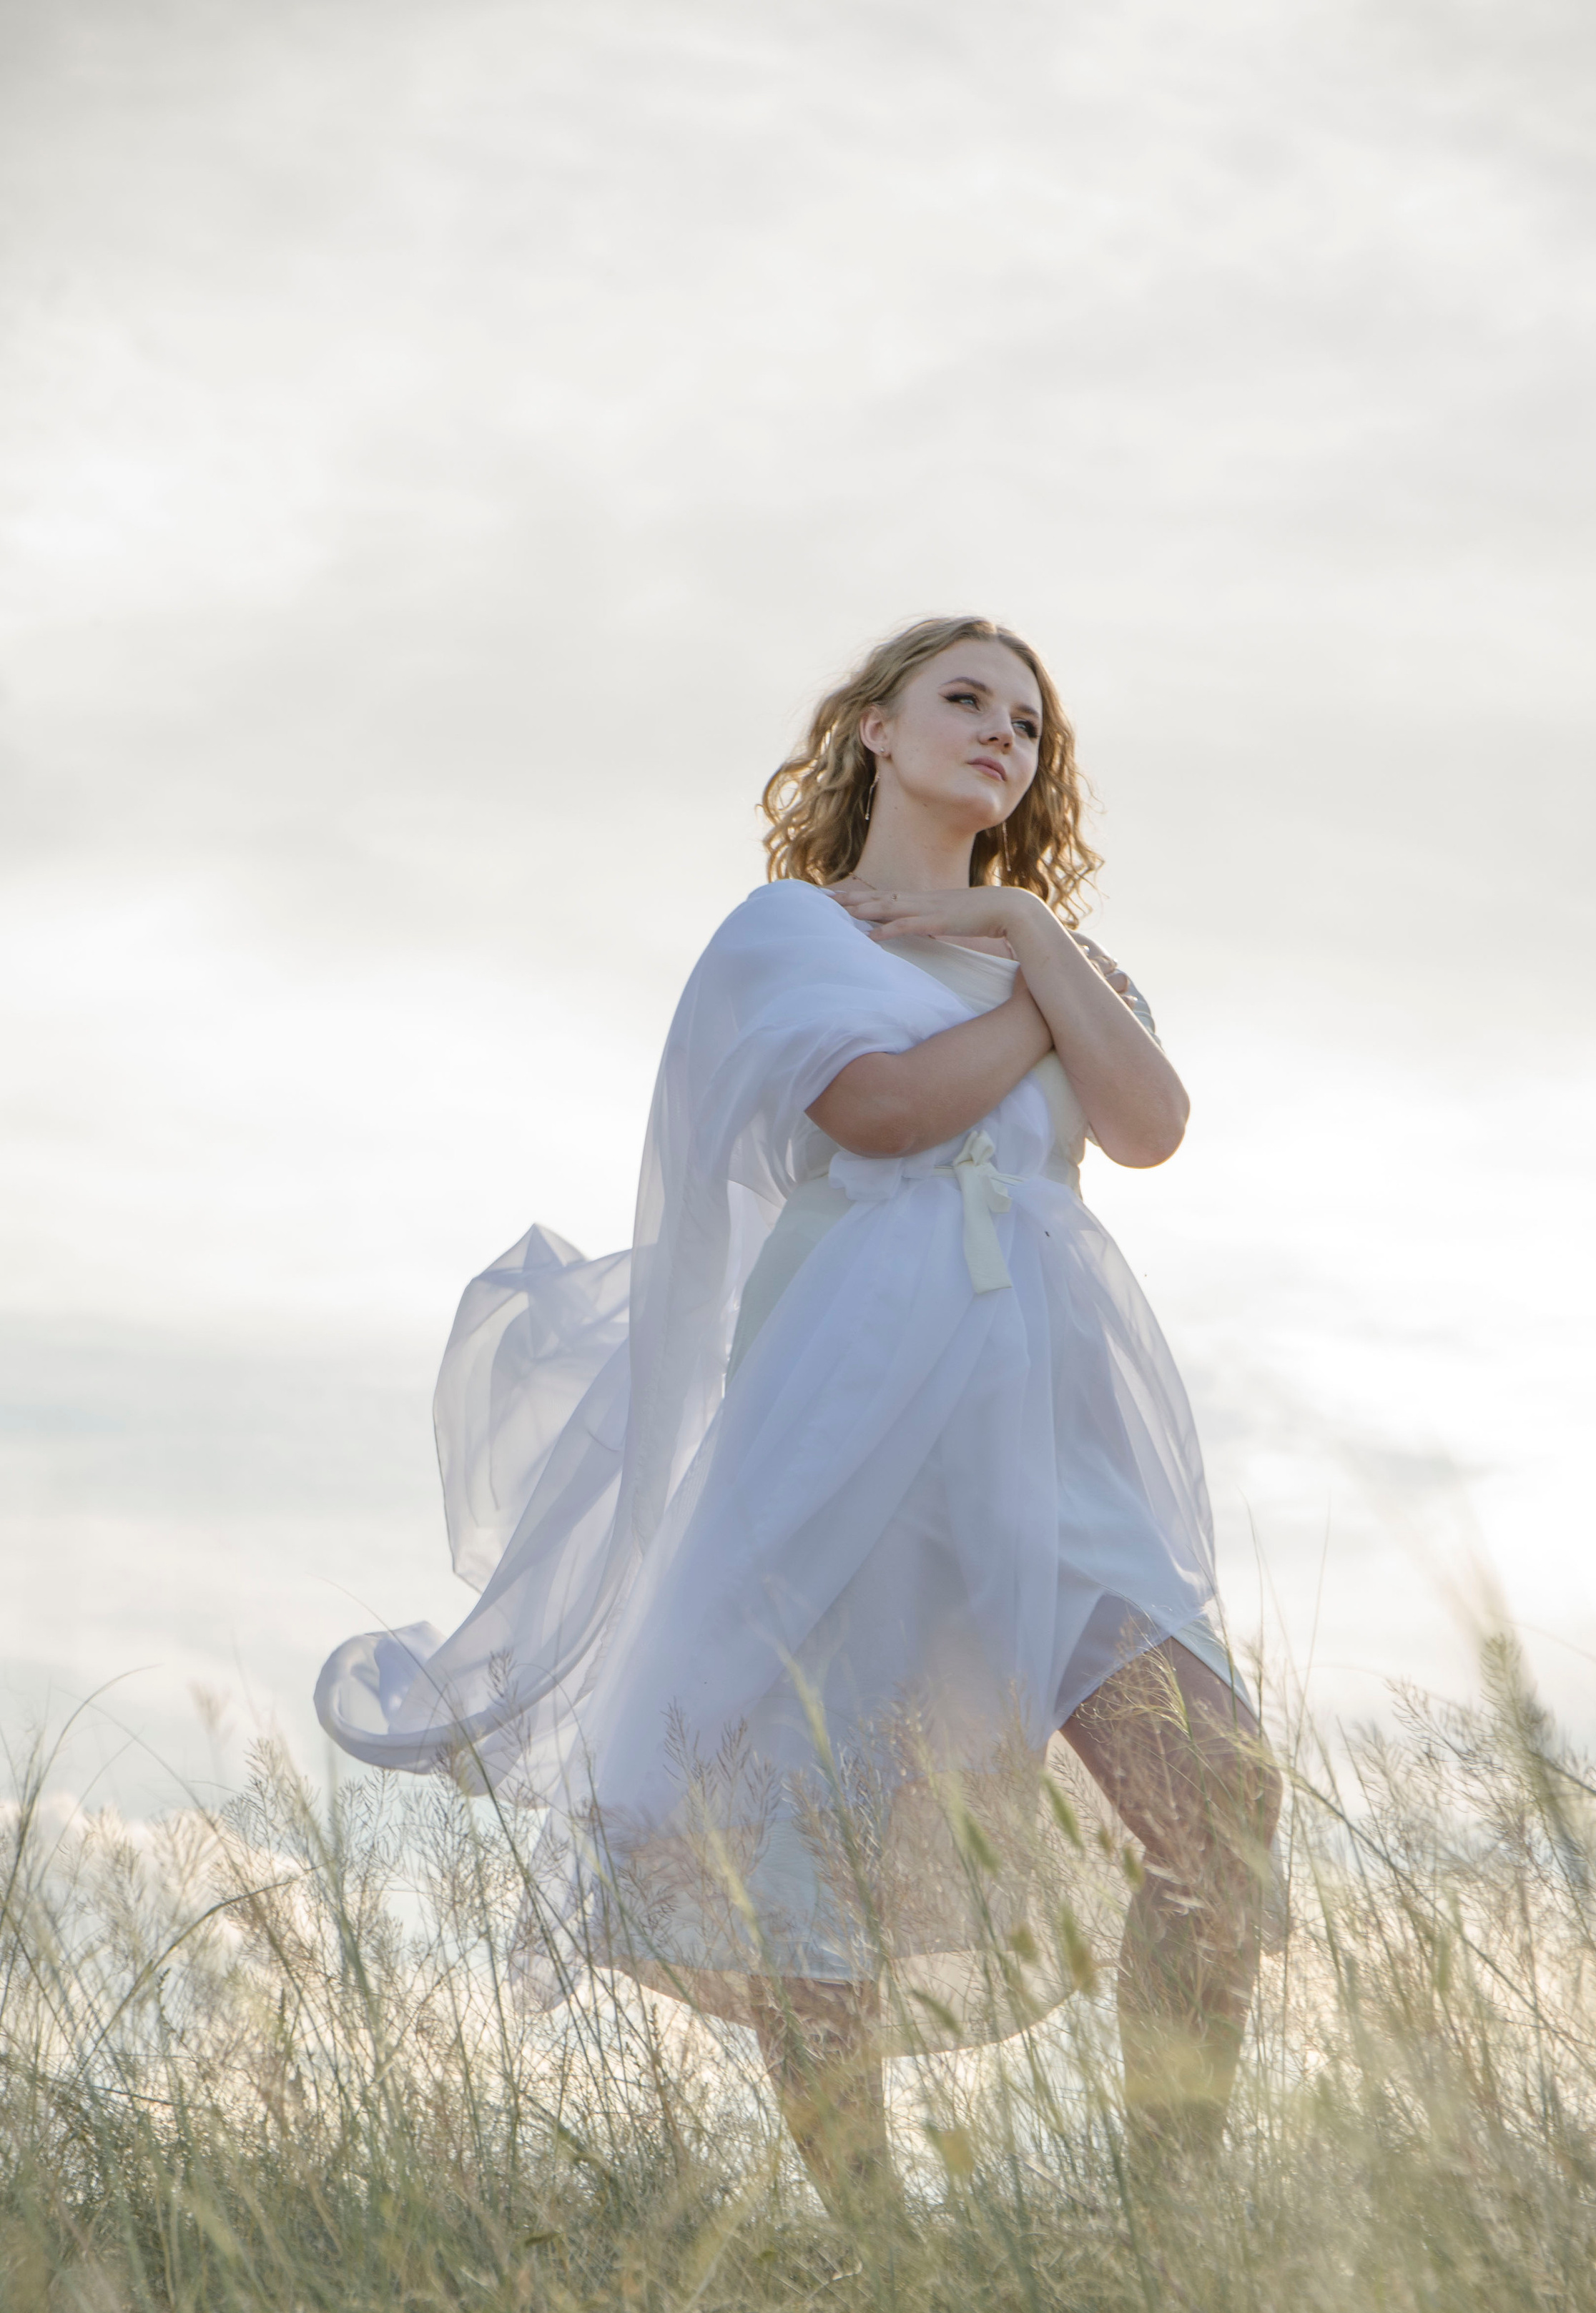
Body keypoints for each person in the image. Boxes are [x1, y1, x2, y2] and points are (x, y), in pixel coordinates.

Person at [316, 615, 1280, 2205]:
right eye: (961, 702)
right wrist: (1041, 992)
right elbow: (879, 1112)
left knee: (1223, 1807)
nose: (1000, 736)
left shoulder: (1049, 947)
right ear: (873, 735)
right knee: (816, 1840)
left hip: (1054, 1417)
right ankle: (874, 2258)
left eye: (1027, 725)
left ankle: (1172, 2234)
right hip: (856, 1398)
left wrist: (1023, 941)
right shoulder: (786, 932)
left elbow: (1151, 1124)